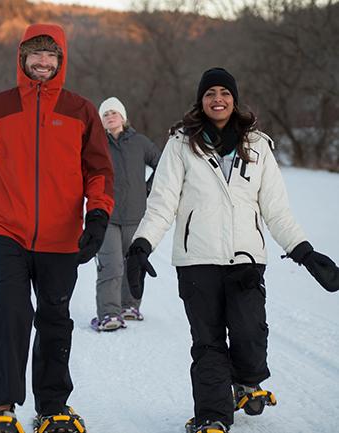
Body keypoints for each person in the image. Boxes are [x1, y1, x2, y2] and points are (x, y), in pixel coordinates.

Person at [125, 67, 339, 433]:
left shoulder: (257, 146)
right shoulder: (180, 144)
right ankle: (212, 415)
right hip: (197, 261)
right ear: (201, 100)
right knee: (207, 343)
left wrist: (303, 251)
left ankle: (245, 379)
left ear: (234, 99)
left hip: (246, 260)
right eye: (210, 93)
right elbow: (162, 203)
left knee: (250, 334)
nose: (218, 99)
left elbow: (276, 209)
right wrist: (141, 245)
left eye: (225, 92)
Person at [0, 23, 114, 433]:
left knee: (55, 317)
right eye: (35, 54)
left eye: (51, 55)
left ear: (61, 61)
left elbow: (99, 171)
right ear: (22, 58)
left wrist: (97, 215)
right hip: (6, 229)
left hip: (62, 237)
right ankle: (1, 407)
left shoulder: (80, 110)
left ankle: (53, 407)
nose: (43, 62)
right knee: (9, 310)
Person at [90, 97, 161, 332]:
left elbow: (162, 166)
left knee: (133, 264)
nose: (110, 116)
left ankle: (130, 306)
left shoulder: (140, 142)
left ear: (123, 116)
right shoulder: (96, 144)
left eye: (114, 112)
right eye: (105, 114)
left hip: (136, 215)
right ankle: (109, 314)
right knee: (110, 265)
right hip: (106, 216)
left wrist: (147, 189)